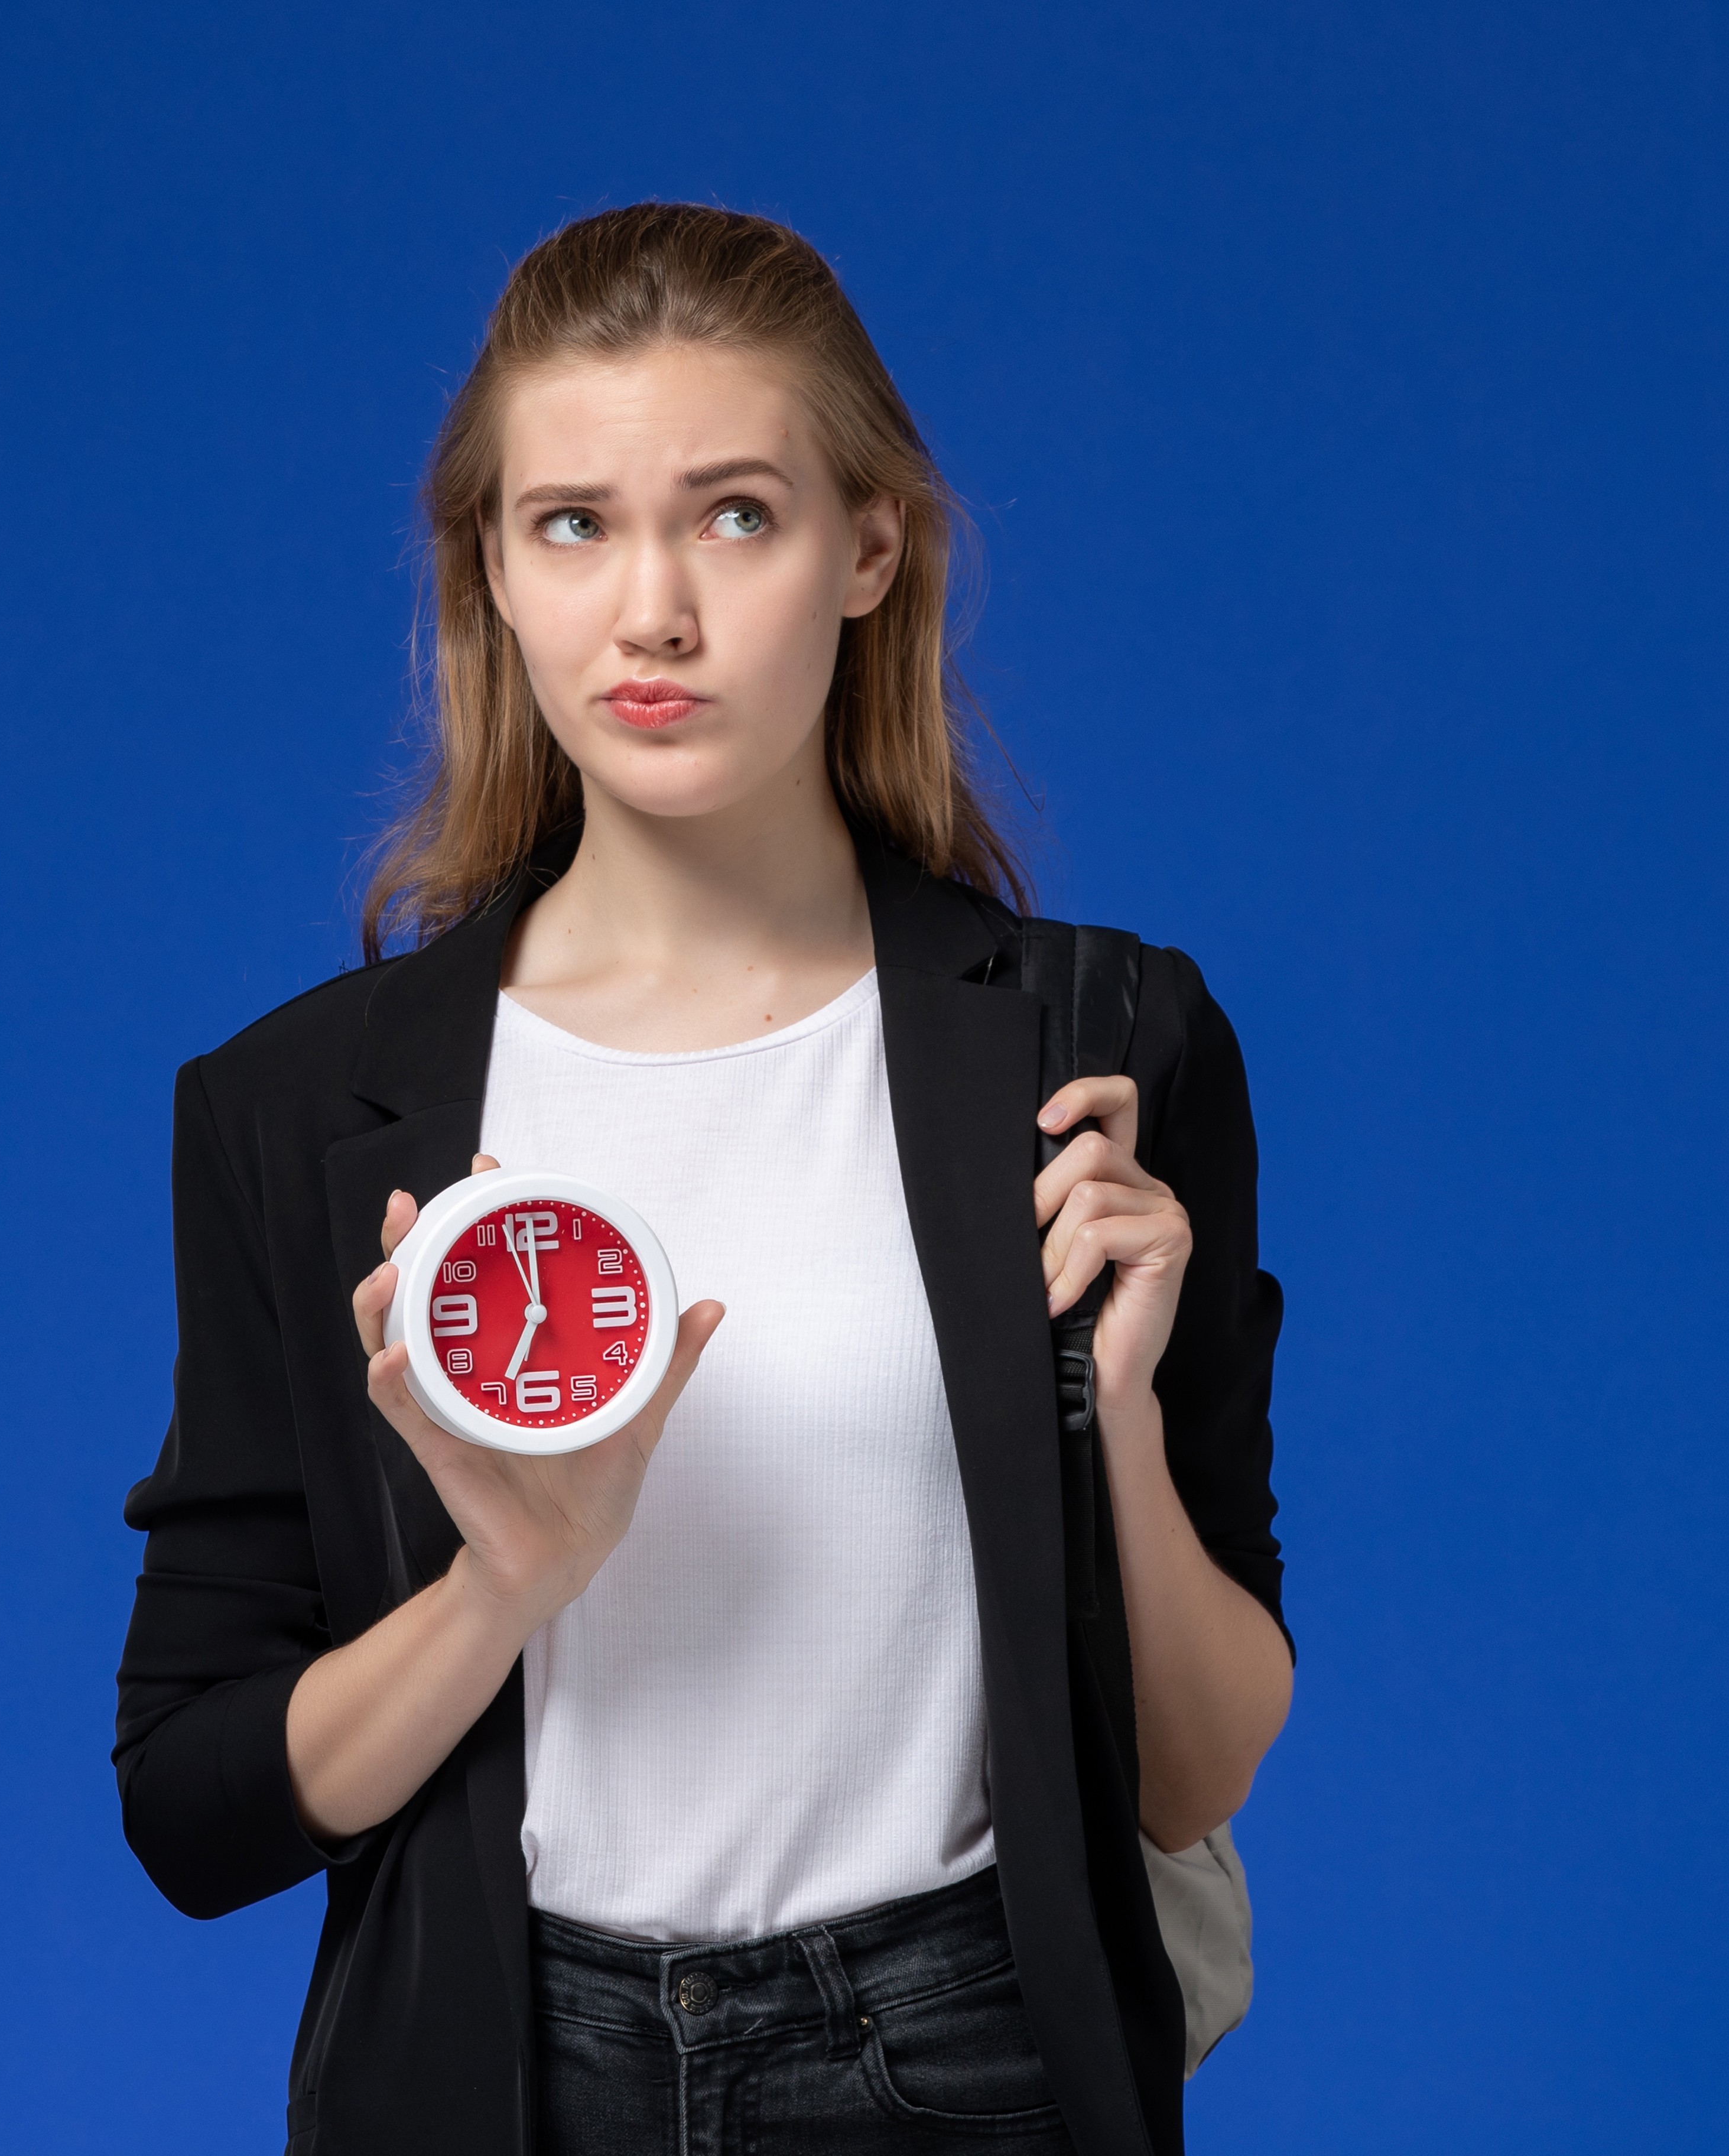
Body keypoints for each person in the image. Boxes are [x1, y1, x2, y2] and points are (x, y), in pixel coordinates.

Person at [112, 203, 1290, 2156]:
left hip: (974, 2061)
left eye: (734, 513)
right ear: (490, 570)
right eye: (571, 523)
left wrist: (1126, 1418)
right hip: (502, 2079)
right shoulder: (305, 1109)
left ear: (868, 547)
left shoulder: (1098, 1047)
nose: (649, 610)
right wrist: (513, 1578)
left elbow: (1188, 1776)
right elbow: (197, 1803)